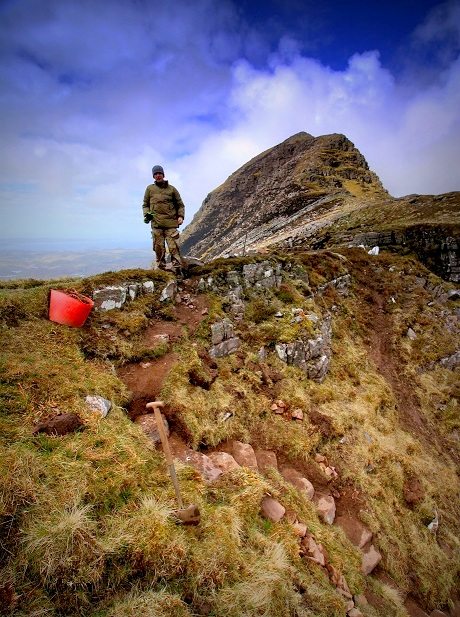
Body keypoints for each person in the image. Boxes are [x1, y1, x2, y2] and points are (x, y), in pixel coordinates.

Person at [142, 165, 186, 274]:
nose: (158, 175)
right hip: (156, 224)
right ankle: (162, 271)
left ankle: (177, 271)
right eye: (156, 174)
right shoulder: (150, 189)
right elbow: (145, 205)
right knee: (158, 248)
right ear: (153, 176)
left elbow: (180, 205)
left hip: (171, 224)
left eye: (159, 173)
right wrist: (147, 214)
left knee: (173, 248)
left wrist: (180, 216)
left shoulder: (172, 189)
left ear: (163, 175)